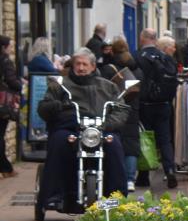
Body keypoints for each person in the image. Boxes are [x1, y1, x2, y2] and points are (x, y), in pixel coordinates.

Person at [36, 48, 128, 208]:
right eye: (77, 64)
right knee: (59, 142)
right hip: (71, 129)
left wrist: (108, 123)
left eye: (85, 64)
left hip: (100, 129)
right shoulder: (60, 85)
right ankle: (54, 195)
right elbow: (43, 108)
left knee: (114, 146)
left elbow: (121, 108)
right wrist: (57, 105)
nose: (81, 67)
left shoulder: (108, 87)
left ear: (93, 66)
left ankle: (116, 197)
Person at [135, 29, 180, 189]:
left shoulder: (138, 57)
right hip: (164, 105)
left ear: (142, 39)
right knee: (165, 140)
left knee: (144, 139)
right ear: (155, 40)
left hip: (145, 105)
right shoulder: (166, 58)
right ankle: (169, 170)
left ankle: (143, 176)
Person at [100, 58, 141, 192]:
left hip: (113, 113)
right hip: (130, 110)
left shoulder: (106, 72)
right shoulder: (135, 69)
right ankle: (129, 180)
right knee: (129, 145)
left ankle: (118, 181)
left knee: (115, 145)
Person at [0, 36, 21, 177]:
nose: (11, 48)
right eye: (9, 46)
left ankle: (5, 167)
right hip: (2, 104)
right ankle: (5, 168)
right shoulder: (6, 61)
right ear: (4, 47)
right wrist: (20, 85)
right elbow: (12, 81)